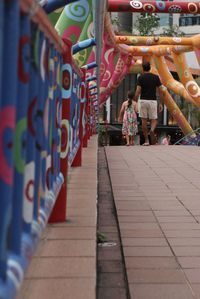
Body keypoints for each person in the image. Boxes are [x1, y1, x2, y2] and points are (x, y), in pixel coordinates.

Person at [134, 61, 163, 146]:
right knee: (154, 119)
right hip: (153, 101)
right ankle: (152, 130)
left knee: (144, 120)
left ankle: (146, 140)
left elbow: (137, 91)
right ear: (150, 68)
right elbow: (161, 91)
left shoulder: (140, 78)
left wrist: (135, 102)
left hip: (143, 100)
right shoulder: (156, 77)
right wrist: (161, 103)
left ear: (143, 68)